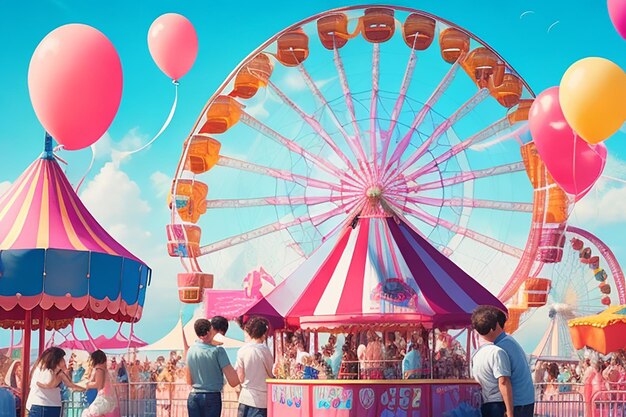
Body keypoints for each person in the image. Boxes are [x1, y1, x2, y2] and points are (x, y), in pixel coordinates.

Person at [186, 318, 240, 417]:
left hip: (193, 397)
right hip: (211, 397)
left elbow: (189, 380)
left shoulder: (190, 350)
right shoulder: (218, 351)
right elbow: (234, 381)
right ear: (210, 330)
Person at [492, 306, 535, 417]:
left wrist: (509, 412)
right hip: (525, 399)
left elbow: (504, 380)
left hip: (517, 402)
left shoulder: (501, 347)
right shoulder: (508, 340)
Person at [471, 307, 513, 417]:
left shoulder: (476, 354)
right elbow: (503, 382)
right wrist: (510, 412)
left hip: (484, 403)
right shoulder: (497, 352)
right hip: (497, 404)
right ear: (492, 328)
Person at [27, 347, 85, 417]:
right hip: (42, 405)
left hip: (53, 405)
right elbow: (49, 385)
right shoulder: (43, 370)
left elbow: (70, 385)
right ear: (56, 359)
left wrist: (66, 371)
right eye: (62, 358)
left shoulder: (57, 372)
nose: (64, 360)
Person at [236, 317, 274, 417]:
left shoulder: (242, 351)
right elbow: (271, 373)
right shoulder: (265, 351)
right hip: (261, 400)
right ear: (264, 334)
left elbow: (240, 377)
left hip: (245, 398)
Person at [81, 350, 120, 417]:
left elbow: (98, 384)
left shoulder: (99, 370)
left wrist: (87, 385)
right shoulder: (103, 370)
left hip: (103, 399)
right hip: (106, 398)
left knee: (89, 414)